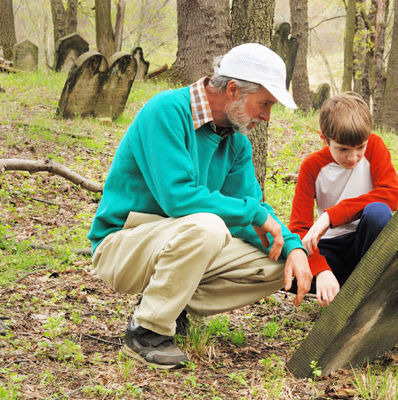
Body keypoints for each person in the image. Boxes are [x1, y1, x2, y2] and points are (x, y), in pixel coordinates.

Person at [87, 43, 312, 370]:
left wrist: (293, 247)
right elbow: (178, 197)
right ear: (233, 90)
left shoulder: (236, 144)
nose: (266, 116)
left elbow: (248, 214)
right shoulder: (166, 110)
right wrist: (254, 213)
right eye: (264, 104)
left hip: (181, 241)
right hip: (122, 245)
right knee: (208, 226)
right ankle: (146, 331)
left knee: (279, 263)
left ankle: (170, 301)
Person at [288, 93, 398, 307]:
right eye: (343, 149)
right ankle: (338, 284)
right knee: (285, 269)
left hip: (367, 242)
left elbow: (390, 194)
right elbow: (299, 228)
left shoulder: (376, 146)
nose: (353, 157)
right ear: (324, 138)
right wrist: (320, 270)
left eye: (360, 147)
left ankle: (368, 288)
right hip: (331, 248)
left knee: (378, 212)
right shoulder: (312, 166)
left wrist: (331, 215)